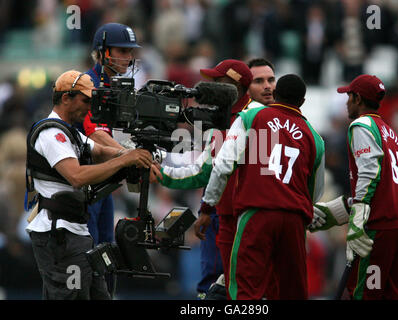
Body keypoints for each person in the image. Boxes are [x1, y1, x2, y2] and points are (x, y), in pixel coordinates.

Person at [25, 70, 153, 300]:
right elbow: (76, 176)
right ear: (66, 98)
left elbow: (101, 151)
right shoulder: (52, 134)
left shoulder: (70, 132)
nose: (89, 107)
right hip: (59, 236)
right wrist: (125, 159)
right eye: (85, 100)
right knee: (71, 296)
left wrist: (130, 154)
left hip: (75, 233)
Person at [199, 74, 325, 299]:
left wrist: (208, 207)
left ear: (275, 95)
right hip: (295, 221)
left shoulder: (251, 116)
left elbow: (223, 165)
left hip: (257, 214)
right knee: (291, 292)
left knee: (245, 290)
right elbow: (315, 192)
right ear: (302, 102)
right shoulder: (315, 138)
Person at [150, 59, 263, 299]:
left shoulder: (232, 123)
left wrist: (162, 174)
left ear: (233, 87)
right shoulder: (260, 116)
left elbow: (203, 172)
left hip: (231, 218)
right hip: (245, 215)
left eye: (217, 83)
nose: (209, 87)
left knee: (219, 289)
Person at [312, 74, 398, 300]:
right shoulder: (389, 131)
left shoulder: (361, 125)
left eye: (349, 96)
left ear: (358, 98)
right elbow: (385, 185)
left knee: (366, 294)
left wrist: (358, 215)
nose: (346, 102)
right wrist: (339, 210)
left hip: (380, 228)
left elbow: (370, 173)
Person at [80, 22, 141, 296]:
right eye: (122, 50)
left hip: (104, 182)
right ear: (103, 52)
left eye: (130, 51)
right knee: (90, 250)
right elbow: (96, 134)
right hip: (83, 184)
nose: (128, 57)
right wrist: (129, 156)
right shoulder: (87, 84)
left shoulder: (117, 86)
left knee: (106, 250)